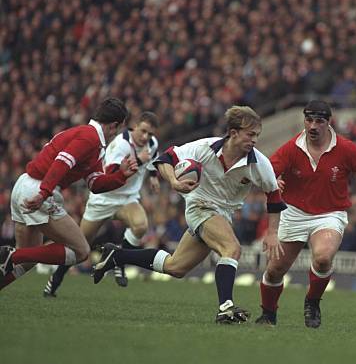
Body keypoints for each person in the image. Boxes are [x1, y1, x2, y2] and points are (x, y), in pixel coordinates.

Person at [91, 106, 286, 324]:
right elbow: (165, 159)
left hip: (222, 214)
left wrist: (272, 233)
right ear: (233, 133)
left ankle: (116, 256)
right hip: (199, 206)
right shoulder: (204, 147)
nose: (255, 140)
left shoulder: (260, 163)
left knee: (176, 267)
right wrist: (174, 181)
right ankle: (225, 308)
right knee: (232, 248)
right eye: (250, 134)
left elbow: (275, 197)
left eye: (257, 135)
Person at [255, 100, 356, 328]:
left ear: (328, 123)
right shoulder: (291, 148)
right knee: (274, 270)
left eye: (319, 121)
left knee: (323, 258)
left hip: (329, 214)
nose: (313, 126)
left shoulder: (345, 148)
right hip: (293, 212)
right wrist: (273, 180)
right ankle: (268, 314)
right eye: (309, 120)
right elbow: (265, 174)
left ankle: (312, 301)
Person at [0, 97, 138, 289]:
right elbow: (63, 161)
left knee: (28, 260)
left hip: (24, 185)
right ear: (114, 125)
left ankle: (11, 259)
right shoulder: (89, 137)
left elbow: (95, 184)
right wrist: (44, 193)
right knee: (80, 251)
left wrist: (121, 175)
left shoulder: (93, 141)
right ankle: (11, 255)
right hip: (38, 189)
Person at [42, 112, 161, 297]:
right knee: (79, 248)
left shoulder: (152, 145)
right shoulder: (121, 144)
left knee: (141, 226)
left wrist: (153, 177)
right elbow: (111, 173)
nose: (146, 137)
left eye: (150, 134)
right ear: (134, 126)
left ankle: (119, 262)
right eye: (143, 131)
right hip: (103, 199)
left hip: (127, 199)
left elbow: (153, 159)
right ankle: (54, 282)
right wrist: (139, 160)